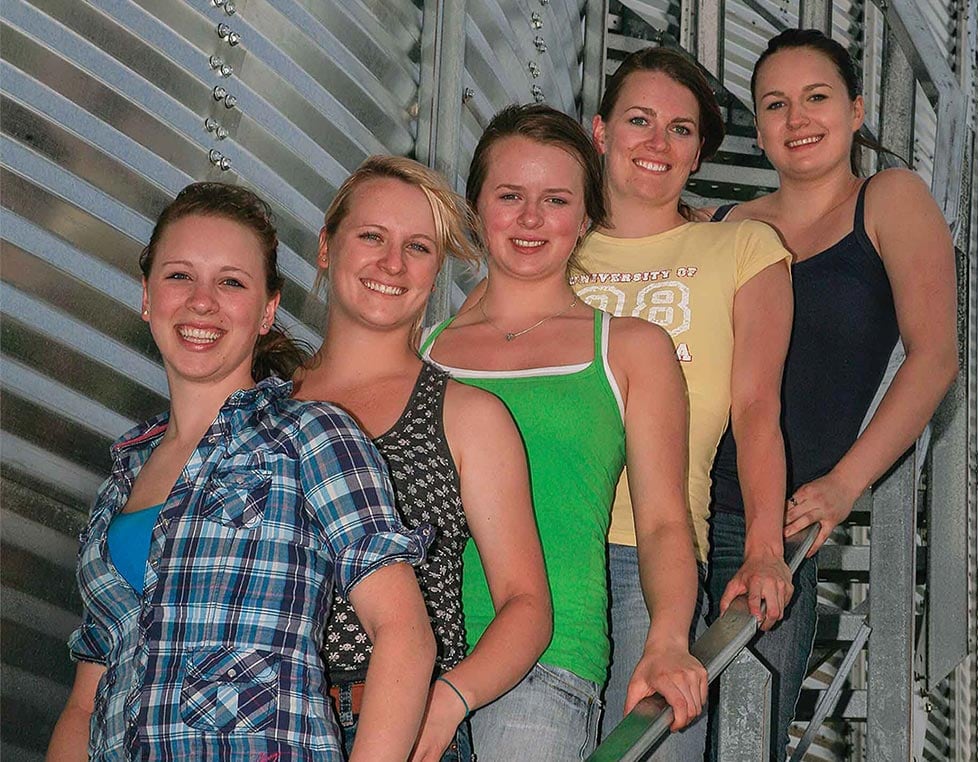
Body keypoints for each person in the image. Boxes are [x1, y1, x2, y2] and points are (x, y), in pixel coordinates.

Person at [46, 183, 437, 762]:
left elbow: (405, 636)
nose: (202, 301)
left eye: (231, 282)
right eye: (180, 276)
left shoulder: (309, 436)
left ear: (267, 310)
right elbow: (87, 699)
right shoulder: (122, 475)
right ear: (147, 297)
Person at [421, 104, 707, 760]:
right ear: (476, 208)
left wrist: (667, 638)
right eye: (510, 196)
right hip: (410, 665)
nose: (530, 218)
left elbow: (665, 521)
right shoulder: (426, 349)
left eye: (554, 199)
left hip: (545, 668)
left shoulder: (630, 348)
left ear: (583, 218)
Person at [704, 28, 958, 760]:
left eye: (816, 98)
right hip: (670, 508)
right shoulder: (726, 227)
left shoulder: (889, 198)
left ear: (855, 110)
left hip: (769, 526)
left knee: (742, 741)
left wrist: (847, 481)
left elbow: (934, 358)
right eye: (775, 105)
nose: (797, 119)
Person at [573, 46, 794, 757]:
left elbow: (758, 407)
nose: (656, 142)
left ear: (698, 152)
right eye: (638, 120)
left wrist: (764, 546)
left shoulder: (744, 249)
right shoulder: (549, 250)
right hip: (535, 552)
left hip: (658, 557)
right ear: (601, 131)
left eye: (680, 128)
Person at [293, 155, 551, 762]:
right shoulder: (264, 402)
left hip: (400, 723)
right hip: (259, 720)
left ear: (436, 272)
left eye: (418, 247)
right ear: (327, 248)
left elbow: (527, 605)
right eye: (372, 237)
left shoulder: (464, 414)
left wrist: (449, 700)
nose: (392, 263)